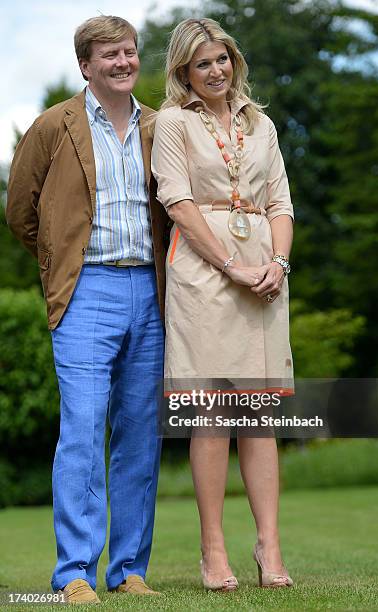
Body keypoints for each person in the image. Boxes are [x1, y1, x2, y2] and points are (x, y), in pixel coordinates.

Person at [7, 15, 167, 604]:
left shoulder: (161, 126)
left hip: (151, 294)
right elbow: (20, 212)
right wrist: (60, 265)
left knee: (139, 437)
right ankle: (73, 572)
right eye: (109, 55)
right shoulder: (55, 126)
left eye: (129, 52)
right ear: (86, 65)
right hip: (85, 292)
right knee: (80, 431)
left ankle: (129, 571)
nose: (123, 62)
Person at [152, 18, 294, 591]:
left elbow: (282, 201)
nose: (215, 71)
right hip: (202, 276)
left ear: (234, 61)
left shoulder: (263, 125)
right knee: (210, 415)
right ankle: (213, 549)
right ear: (184, 70)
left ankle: (270, 546)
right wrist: (232, 266)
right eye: (202, 63)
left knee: (259, 417)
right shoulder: (171, 123)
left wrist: (277, 264)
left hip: (264, 274)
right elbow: (178, 202)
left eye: (222, 59)